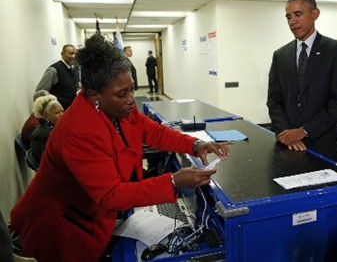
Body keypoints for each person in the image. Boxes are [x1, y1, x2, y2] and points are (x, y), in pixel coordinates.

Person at [10, 33, 231, 262]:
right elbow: (111, 194)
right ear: (94, 95)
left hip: (90, 214)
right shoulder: (78, 131)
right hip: (61, 223)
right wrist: (174, 181)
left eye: (132, 89)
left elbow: (153, 131)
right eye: (121, 94)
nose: (130, 100)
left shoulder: (119, 107)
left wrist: (195, 144)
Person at [266, 0, 337, 163]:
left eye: (298, 14)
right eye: (288, 17)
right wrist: (286, 134)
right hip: (288, 146)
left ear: (315, 14)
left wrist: (304, 131)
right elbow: (274, 100)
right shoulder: (280, 55)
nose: (292, 22)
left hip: (324, 145)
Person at [35, 44, 79, 110]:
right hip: (59, 112)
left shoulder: (71, 68)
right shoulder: (54, 69)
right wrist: (52, 103)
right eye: (70, 53)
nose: (73, 56)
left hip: (70, 108)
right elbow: (40, 91)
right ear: (62, 54)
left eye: (75, 54)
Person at [30, 94, 64, 163]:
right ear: (46, 115)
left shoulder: (52, 128)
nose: (62, 115)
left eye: (62, 111)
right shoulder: (44, 135)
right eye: (57, 112)